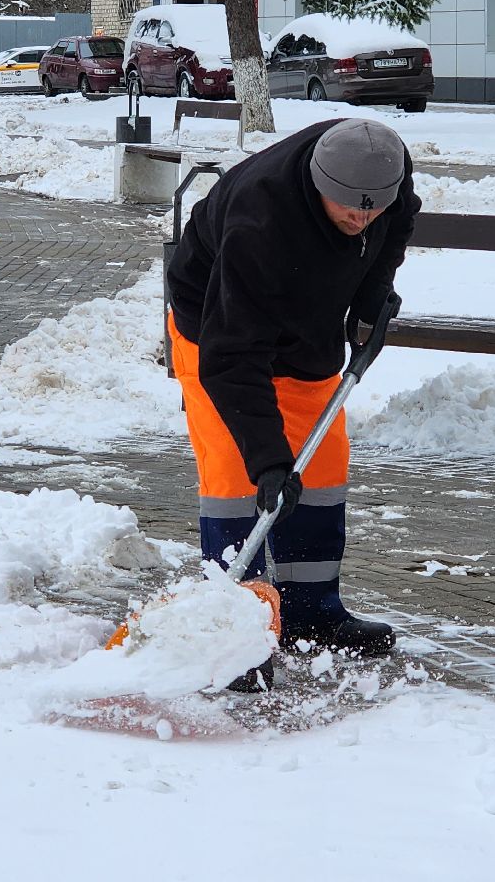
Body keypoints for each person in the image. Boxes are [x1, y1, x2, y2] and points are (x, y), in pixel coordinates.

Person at [165, 117, 420, 681]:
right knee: (239, 479)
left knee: (323, 466)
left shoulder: (383, 170)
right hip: (218, 329)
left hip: (307, 329)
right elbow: (232, 360)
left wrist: (373, 294)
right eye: (350, 209)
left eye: (371, 209)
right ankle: (239, 634)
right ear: (318, 184)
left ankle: (311, 613)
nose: (362, 219)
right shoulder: (261, 222)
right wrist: (271, 462)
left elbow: (395, 225)